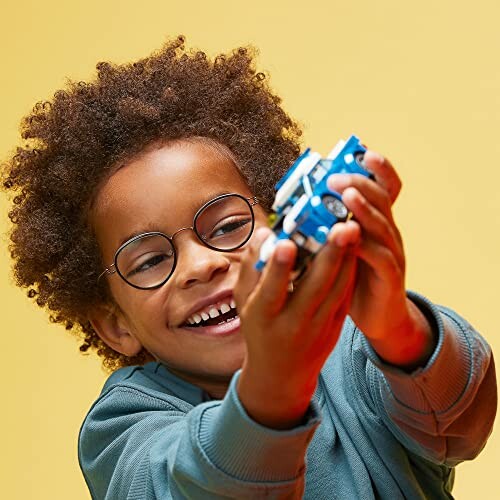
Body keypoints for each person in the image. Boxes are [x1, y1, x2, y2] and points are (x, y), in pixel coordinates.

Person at [2, 36, 496, 499]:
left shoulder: (356, 350)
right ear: (115, 324)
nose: (201, 265)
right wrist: (276, 380)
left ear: (280, 220)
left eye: (226, 227)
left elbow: (458, 427)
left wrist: (396, 328)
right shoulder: (122, 426)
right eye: (151, 260)